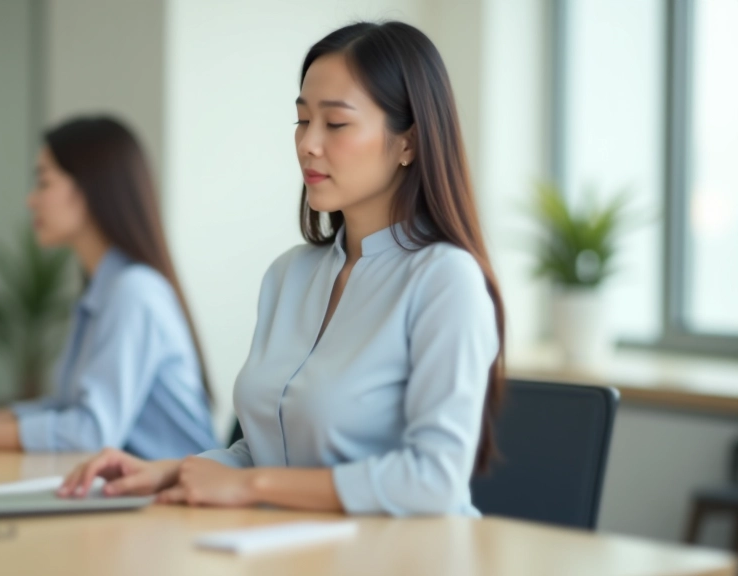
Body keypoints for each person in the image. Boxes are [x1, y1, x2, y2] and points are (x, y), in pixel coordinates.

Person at [58, 21, 505, 517]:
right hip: (293, 548)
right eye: (301, 121)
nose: (308, 144)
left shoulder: (445, 280)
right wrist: (170, 469)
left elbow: (433, 482)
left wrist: (252, 487)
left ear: (408, 143)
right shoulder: (288, 276)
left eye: (335, 124)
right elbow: (264, 449)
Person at [0, 117, 219, 459]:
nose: (31, 200)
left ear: (90, 188)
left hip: (184, 505)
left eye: (43, 183)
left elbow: (92, 432)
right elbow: (65, 408)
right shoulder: (102, 290)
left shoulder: (134, 292)